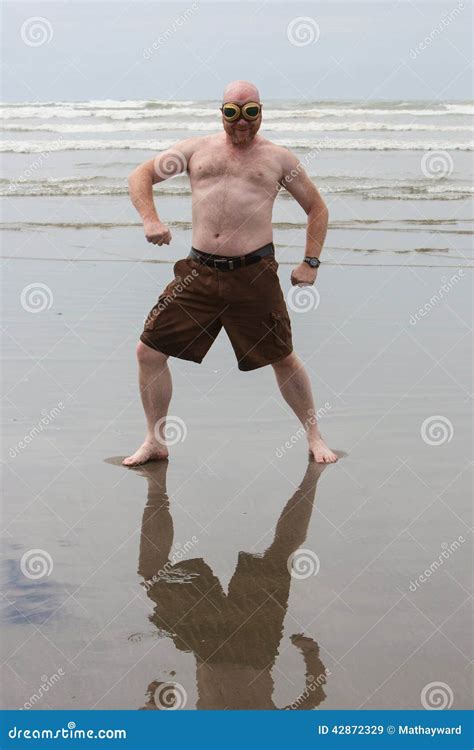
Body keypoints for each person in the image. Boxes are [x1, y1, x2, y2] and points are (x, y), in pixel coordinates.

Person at [124, 80, 337, 466]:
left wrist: (311, 262)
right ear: (221, 112)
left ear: (261, 112)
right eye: (233, 112)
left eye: (251, 112)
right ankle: (155, 441)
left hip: (253, 275)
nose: (242, 121)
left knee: (283, 357)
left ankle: (314, 436)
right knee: (148, 351)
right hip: (197, 274)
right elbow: (140, 175)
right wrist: (150, 220)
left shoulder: (280, 160)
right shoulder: (195, 151)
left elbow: (317, 209)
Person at [135, 459, 329, 710]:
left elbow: (314, 697)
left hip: (227, 645)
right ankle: (155, 488)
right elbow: (313, 699)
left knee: (153, 571)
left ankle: (155, 488)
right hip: (243, 647)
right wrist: (310, 654)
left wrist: (311, 654)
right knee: (280, 555)